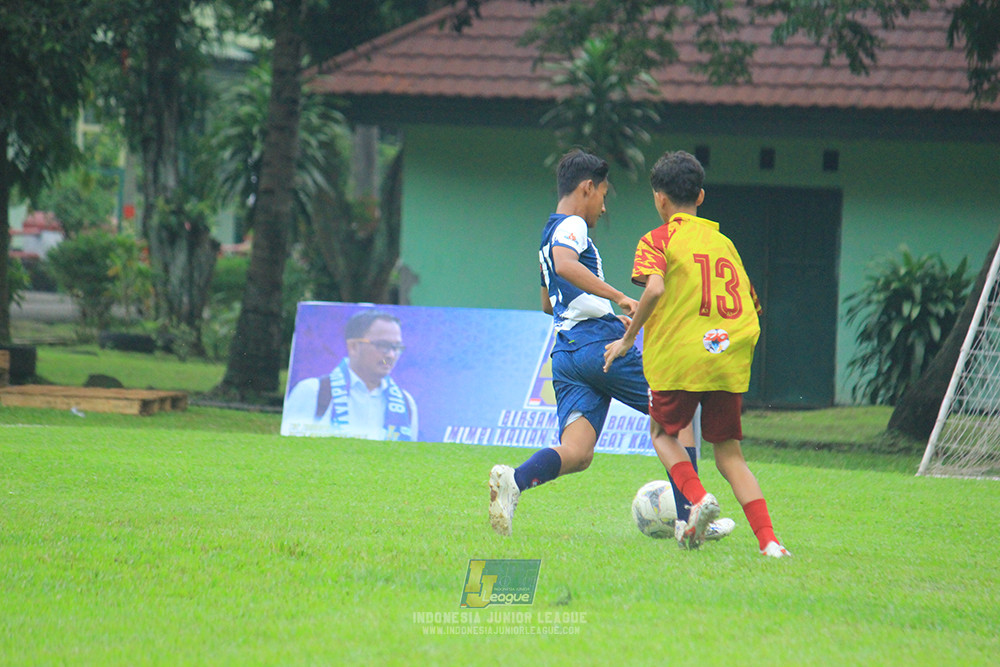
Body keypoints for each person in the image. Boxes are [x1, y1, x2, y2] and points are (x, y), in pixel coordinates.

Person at [488, 149, 734, 540]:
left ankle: (514, 481)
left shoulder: (547, 232)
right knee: (679, 417)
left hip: (566, 352)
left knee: (578, 451)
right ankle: (691, 516)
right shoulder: (573, 225)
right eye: (603, 195)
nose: (603, 208)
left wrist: (600, 309)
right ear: (587, 188)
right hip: (596, 346)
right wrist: (619, 298)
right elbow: (567, 265)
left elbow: (548, 302)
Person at [603, 150, 790, 558]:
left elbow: (653, 289)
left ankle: (697, 498)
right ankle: (770, 542)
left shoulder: (658, 239)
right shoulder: (724, 243)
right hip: (724, 356)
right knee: (730, 455)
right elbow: (752, 306)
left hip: (679, 360)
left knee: (661, 434)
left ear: (659, 200)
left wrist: (628, 338)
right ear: (701, 197)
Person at [283, 309, 418, 441]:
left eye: (397, 347)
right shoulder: (312, 392)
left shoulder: (406, 403)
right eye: (383, 345)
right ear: (353, 347)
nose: (391, 355)